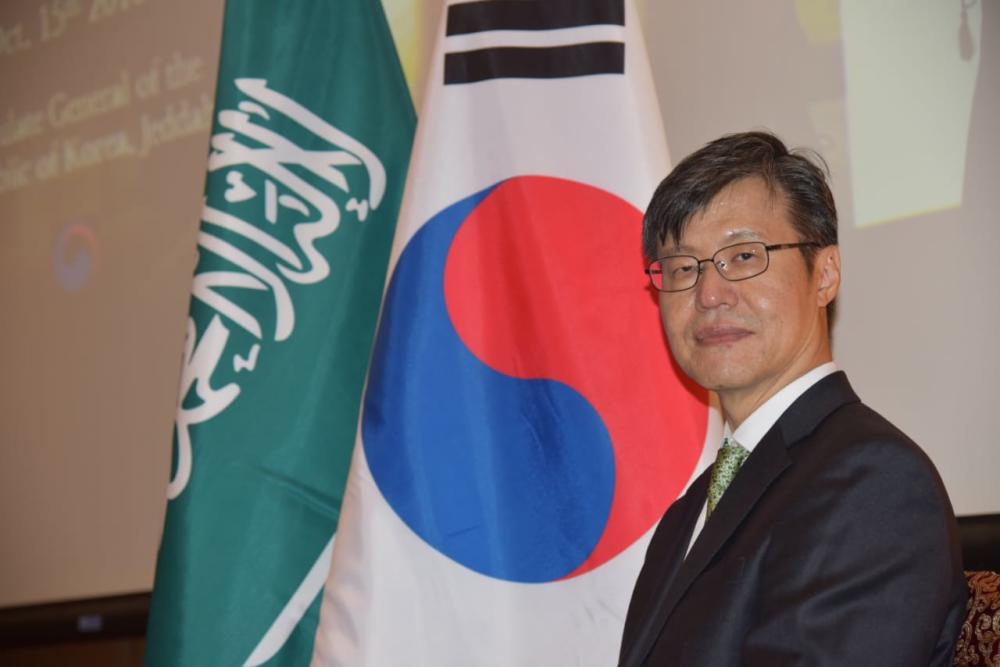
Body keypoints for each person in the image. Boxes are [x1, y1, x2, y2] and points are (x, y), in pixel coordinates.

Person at [618, 132, 967, 666]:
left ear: (825, 273)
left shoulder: (873, 482)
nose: (709, 294)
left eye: (743, 255)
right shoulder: (689, 513)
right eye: (683, 267)